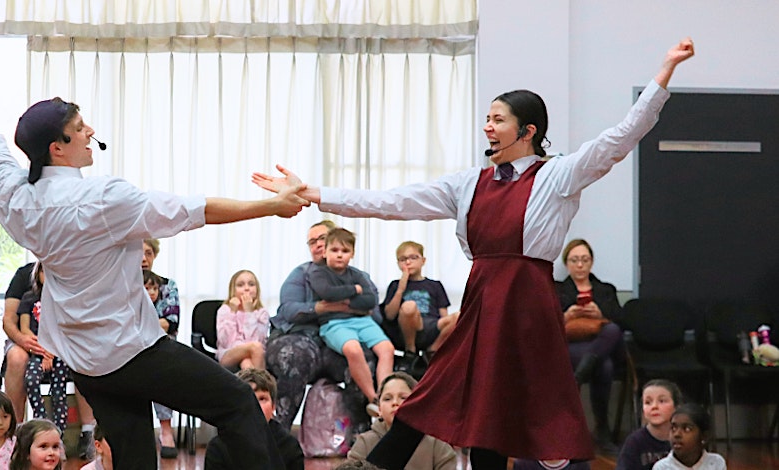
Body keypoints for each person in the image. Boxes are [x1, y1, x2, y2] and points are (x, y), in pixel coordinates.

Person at [254, 39, 696, 469]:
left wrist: (664, 73)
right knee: (445, 398)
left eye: (497, 119)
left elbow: (620, 139)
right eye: (487, 118)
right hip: (483, 301)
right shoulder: (467, 184)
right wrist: (311, 193)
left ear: (528, 131)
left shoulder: (557, 175)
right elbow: (389, 201)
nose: (487, 126)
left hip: (527, 306)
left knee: (498, 411)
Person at [0, 57, 306, 470]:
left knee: (135, 456)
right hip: (133, 350)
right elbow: (197, 210)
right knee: (238, 404)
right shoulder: (104, 201)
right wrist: (273, 205)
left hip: (87, 362)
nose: (89, 132)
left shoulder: (18, 198)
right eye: (79, 129)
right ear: (58, 148)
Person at [266, 220, 380, 436]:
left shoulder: (358, 277)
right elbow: (289, 310)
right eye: (312, 241)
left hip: (336, 339)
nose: (318, 244)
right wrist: (319, 308)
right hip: (297, 336)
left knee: (362, 356)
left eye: (323, 239)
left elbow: (374, 309)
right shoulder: (300, 274)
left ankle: (361, 438)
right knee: (296, 356)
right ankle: (278, 437)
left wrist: (342, 308)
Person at [0, 262, 96, 460]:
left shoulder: (74, 269)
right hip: (27, 338)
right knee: (17, 358)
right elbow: (9, 320)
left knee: (86, 353)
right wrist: (23, 340)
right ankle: (16, 432)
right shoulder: (23, 276)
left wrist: (56, 346)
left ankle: (88, 430)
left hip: (63, 341)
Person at [307, 228, 393, 415]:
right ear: (325, 251)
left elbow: (370, 301)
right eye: (335, 250)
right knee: (353, 349)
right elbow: (327, 293)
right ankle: (374, 399)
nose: (339, 255)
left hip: (363, 321)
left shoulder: (357, 274)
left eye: (344, 251)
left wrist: (343, 300)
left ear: (352, 254)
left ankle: (385, 394)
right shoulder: (318, 273)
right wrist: (355, 290)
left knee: (387, 349)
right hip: (334, 323)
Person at [555, 239, 625, 453]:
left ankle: (578, 380)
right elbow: (545, 325)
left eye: (585, 260)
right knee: (604, 366)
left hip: (599, 344)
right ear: (567, 263)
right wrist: (566, 316)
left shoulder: (605, 290)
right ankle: (602, 432)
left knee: (611, 332)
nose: (580, 265)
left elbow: (621, 321)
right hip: (571, 346)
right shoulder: (556, 290)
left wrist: (600, 314)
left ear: (591, 262)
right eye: (575, 260)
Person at [348, 372, 456, 470]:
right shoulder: (365, 442)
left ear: (418, 404)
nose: (395, 403)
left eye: (403, 398)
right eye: (387, 399)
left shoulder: (437, 444)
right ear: (379, 409)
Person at [205, 368, 304, 470]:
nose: (255, 406)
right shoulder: (218, 447)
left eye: (262, 399)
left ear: (274, 405)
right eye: (248, 398)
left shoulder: (289, 446)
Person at [380, 241, 455, 370]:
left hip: (431, 326)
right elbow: (390, 315)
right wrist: (400, 289)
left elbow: (444, 315)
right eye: (403, 259)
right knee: (409, 306)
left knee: (459, 316)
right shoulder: (395, 285)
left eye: (413, 257)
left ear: (423, 260)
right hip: (406, 328)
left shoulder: (435, 285)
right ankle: (410, 351)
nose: (408, 262)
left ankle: (432, 351)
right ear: (398, 263)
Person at [18, 263, 70, 433]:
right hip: (38, 351)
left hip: (59, 353)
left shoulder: (63, 298)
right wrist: (42, 351)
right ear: (37, 273)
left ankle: (59, 432)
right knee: (31, 380)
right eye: (43, 271)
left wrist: (52, 354)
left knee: (58, 388)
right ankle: (41, 422)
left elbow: (64, 329)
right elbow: (24, 328)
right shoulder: (28, 297)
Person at [140, 239, 180, 458]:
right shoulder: (120, 284)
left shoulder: (166, 285)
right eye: (138, 253)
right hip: (129, 348)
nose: (144, 258)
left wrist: (143, 323)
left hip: (159, 345)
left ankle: (165, 429)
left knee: (160, 367)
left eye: (148, 253)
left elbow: (171, 322)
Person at [617, 380, 683, 470]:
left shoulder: (686, 439)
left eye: (662, 401)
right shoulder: (635, 442)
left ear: (677, 407)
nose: (654, 406)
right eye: (648, 402)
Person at [216, 270, 270, 370]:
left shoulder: (262, 313)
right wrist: (232, 313)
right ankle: (263, 384)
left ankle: (257, 385)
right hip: (228, 354)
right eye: (240, 285)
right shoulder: (225, 310)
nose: (246, 288)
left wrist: (249, 312)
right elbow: (225, 342)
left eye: (251, 284)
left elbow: (256, 340)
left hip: (253, 355)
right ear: (233, 290)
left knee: (247, 364)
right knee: (256, 347)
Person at [651, 404, 726, 470]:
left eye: (687, 429)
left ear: (704, 436)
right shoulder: (661, 467)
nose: (677, 434)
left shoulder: (715, 462)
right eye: (673, 428)